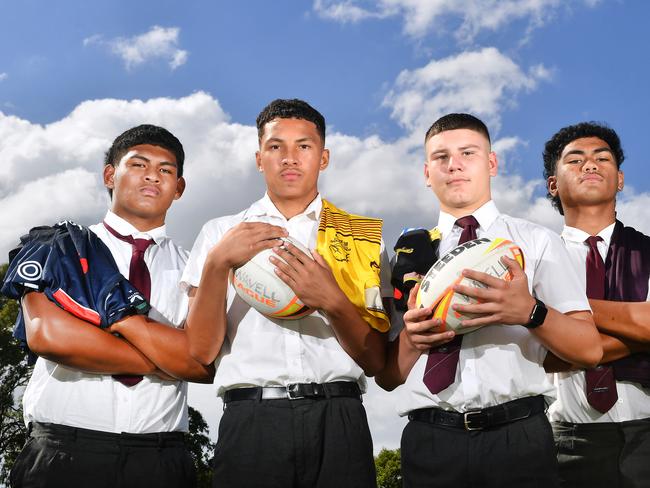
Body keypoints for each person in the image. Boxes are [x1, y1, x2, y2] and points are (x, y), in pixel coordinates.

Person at [375, 113, 602, 488]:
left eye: (468, 152)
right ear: (426, 172)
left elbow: (590, 349)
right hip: (429, 439)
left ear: (492, 163)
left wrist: (529, 311)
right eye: (441, 157)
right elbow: (387, 377)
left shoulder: (536, 241)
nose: (455, 164)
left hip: (519, 436)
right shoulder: (405, 252)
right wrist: (413, 340)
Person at [182, 98, 391, 487]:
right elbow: (199, 352)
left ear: (323, 157)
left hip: (340, 418)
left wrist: (330, 299)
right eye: (276, 146)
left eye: (304, 146)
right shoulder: (220, 233)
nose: (290, 158)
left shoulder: (362, 237)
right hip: (252, 421)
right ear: (259, 157)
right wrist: (216, 265)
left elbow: (377, 361)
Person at [6, 125, 213, 488]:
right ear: (110, 175)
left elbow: (206, 362)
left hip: (162, 460)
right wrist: (172, 358)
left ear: (178, 189)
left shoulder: (198, 268)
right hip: (64, 453)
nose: (153, 175)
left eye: (166, 170)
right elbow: (50, 337)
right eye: (138, 164)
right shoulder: (61, 246)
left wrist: (116, 335)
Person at [543, 122, 650, 487]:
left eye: (601, 158)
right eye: (575, 159)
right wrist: (639, 333)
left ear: (619, 179)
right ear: (553, 184)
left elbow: (554, 342)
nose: (590, 164)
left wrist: (567, 314)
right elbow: (541, 355)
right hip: (566, 439)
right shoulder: (533, 260)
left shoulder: (647, 250)